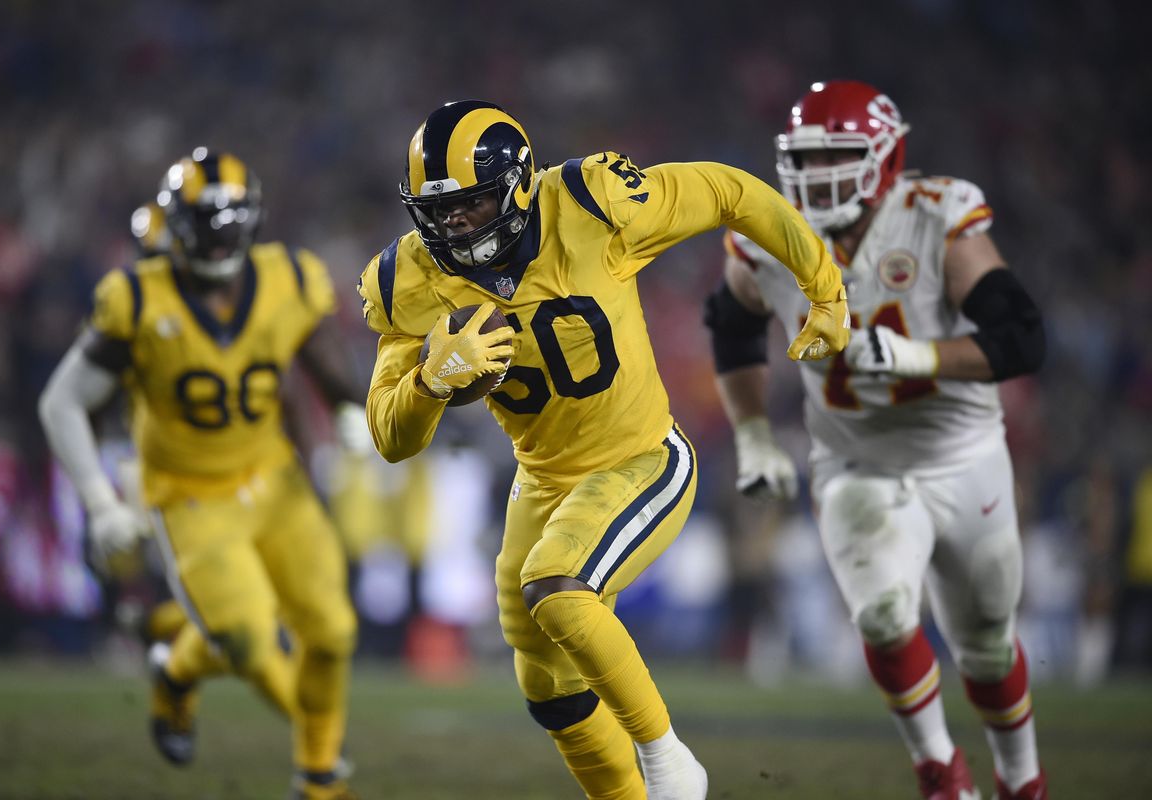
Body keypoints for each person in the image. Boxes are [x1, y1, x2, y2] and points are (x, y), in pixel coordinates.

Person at [357, 99, 849, 800]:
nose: (454, 226)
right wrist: (431, 384)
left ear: (520, 187)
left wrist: (823, 286)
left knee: (559, 588)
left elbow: (729, 192)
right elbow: (389, 437)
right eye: (439, 212)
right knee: (543, 680)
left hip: (640, 458)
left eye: (472, 205)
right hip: (544, 480)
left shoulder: (592, 203)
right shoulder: (411, 280)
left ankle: (670, 764)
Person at [705, 80, 1048, 800]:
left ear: (885, 158)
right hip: (855, 460)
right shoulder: (765, 233)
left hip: (962, 457)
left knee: (985, 646)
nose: (820, 173)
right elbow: (731, 328)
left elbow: (1022, 339)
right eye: (808, 157)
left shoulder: (935, 217)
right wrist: (754, 436)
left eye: (840, 154)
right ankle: (940, 773)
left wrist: (921, 358)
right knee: (884, 614)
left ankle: (1022, 777)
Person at [39, 149, 365, 800]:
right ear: (175, 224)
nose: (217, 238)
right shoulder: (135, 297)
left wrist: (347, 406)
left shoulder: (289, 278)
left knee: (332, 630)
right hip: (189, 493)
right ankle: (180, 670)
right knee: (245, 639)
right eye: (204, 222)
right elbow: (63, 400)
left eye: (228, 221)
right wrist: (102, 503)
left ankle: (318, 778)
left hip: (273, 478)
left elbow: (314, 346)